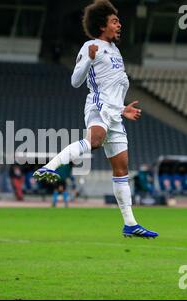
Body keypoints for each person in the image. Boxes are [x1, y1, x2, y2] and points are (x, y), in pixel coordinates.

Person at [33, 0, 158, 238]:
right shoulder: (91, 46)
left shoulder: (116, 51)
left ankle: (130, 224)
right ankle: (50, 166)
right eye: (114, 21)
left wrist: (123, 109)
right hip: (98, 107)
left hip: (115, 113)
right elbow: (75, 81)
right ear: (102, 26)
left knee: (121, 169)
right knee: (95, 140)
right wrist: (89, 59)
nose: (119, 25)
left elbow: (113, 86)